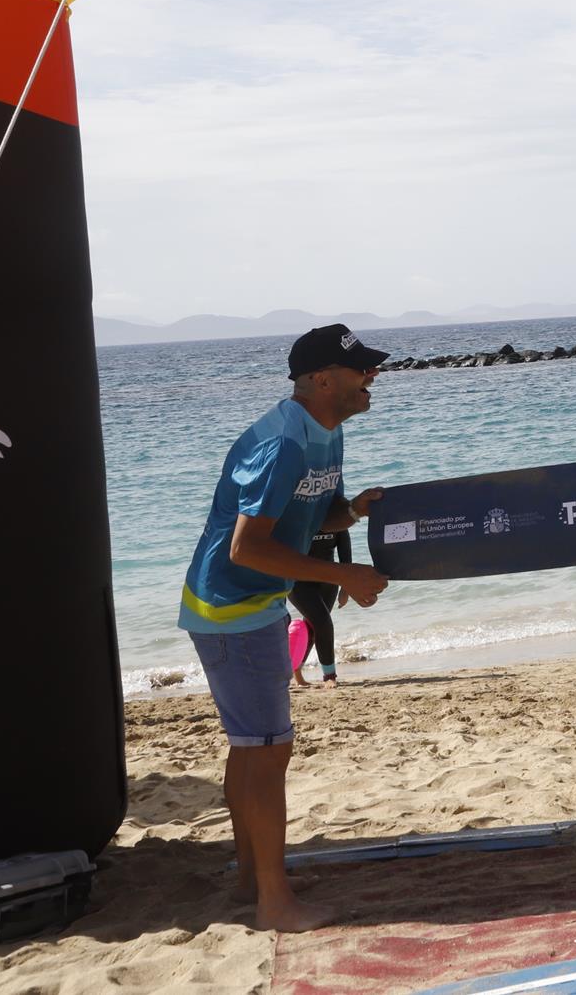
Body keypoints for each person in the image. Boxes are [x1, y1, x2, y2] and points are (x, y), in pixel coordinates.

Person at [178, 325, 391, 931]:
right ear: (322, 380)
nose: (373, 376)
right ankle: (276, 902)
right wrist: (343, 575)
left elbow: (315, 512)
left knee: (254, 749)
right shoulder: (282, 444)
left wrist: (352, 512)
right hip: (231, 608)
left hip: (249, 606)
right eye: (362, 370)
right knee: (268, 752)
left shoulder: (325, 432)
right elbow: (248, 548)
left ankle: (253, 879)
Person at [287, 528, 354, 688]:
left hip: (328, 582)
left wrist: (346, 588)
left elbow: (345, 555)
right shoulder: (303, 513)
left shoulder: (337, 516)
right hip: (298, 581)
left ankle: (296, 670)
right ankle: (329, 676)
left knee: (314, 627)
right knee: (323, 622)